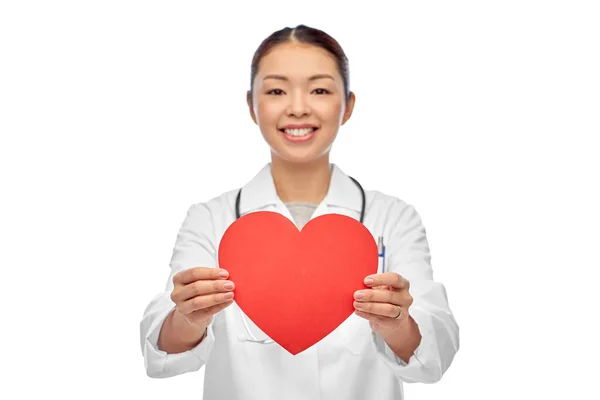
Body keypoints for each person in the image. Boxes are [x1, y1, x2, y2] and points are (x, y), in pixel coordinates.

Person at [139, 24, 459, 400]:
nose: (297, 107)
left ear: (348, 105)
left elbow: (433, 354)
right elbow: (163, 353)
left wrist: (397, 323)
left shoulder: (392, 218)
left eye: (320, 89)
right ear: (251, 106)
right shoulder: (211, 219)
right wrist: (189, 317)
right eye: (276, 90)